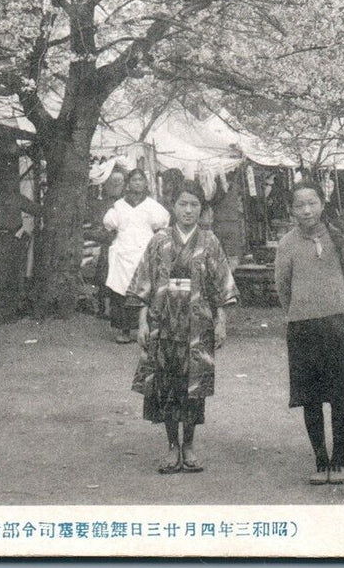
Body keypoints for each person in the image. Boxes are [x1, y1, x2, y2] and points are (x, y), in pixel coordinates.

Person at [128, 181, 238, 475]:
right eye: (182, 204)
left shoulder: (210, 241)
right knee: (166, 385)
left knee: (193, 387)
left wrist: (222, 320)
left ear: (202, 209)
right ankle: (171, 446)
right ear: (172, 206)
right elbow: (144, 283)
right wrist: (141, 320)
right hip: (162, 322)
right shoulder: (159, 241)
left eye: (194, 205)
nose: (188, 210)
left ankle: (188, 445)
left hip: (197, 323)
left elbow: (221, 285)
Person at [274, 182, 344, 485]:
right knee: (311, 398)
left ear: (322, 204)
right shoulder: (287, 243)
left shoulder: (339, 238)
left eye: (312, 203)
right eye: (300, 204)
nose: (307, 210)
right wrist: (297, 312)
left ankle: (339, 459)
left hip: (338, 324)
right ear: (292, 209)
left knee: (340, 397)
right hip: (303, 326)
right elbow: (282, 286)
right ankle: (320, 459)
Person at [102, 169, 170, 344]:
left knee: (146, 289)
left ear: (145, 183)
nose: (137, 183)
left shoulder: (152, 205)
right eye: (134, 180)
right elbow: (110, 225)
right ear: (128, 183)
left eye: (141, 180)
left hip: (144, 251)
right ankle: (124, 330)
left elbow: (161, 225)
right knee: (122, 290)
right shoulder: (119, 206)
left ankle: (146, 328)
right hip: (124, 251)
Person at [87, 166, 127, 322]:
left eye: (120, 182)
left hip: (120, 243)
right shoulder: (102, 204)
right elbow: (100, 225)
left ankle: (116, 309)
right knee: (104, 276)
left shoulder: (125, 203)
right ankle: (104, 308)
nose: (116, 185)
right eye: (113, 182)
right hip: (107, 245)